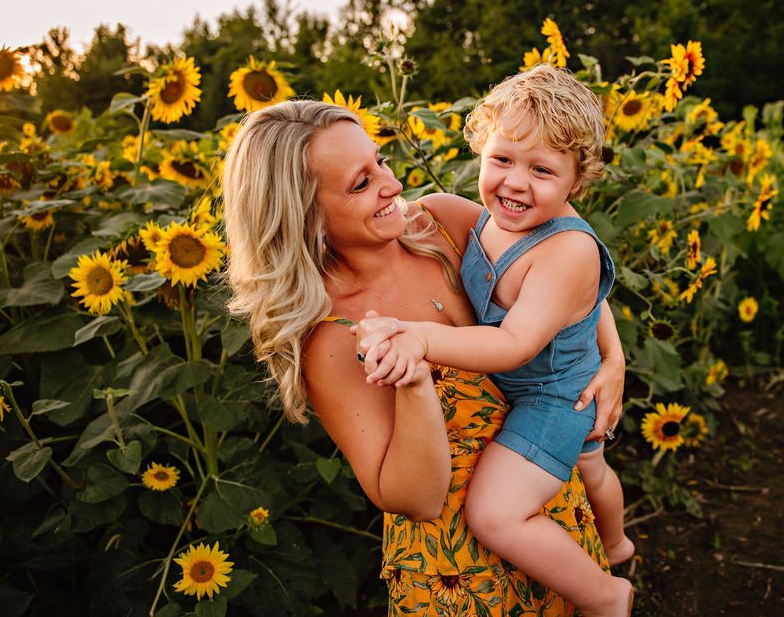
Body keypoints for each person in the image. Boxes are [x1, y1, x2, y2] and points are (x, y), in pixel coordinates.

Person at [221, 98, 627, 615]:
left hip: (550, 522)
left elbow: (560, 266)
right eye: (360, 183)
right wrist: (414, 389)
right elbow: (413, 499)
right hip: (457, 571)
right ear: (307, 216)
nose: (392, 186)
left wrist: (612, 358)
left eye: (380, 161)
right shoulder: (333, 338)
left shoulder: (441, 222)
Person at [354, 65, 634, 616]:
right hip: (536, 382)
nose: (515, 182)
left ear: (576, 181)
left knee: (495, 513)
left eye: (542, 170)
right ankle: (618, 543)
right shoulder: (483, 219)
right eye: (502, 158)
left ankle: (606, 595)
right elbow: (589, 301)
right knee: (592, 464)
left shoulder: (566, 248)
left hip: (553, 396)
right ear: (482, 148)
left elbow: (512, 345)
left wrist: (421, 338)